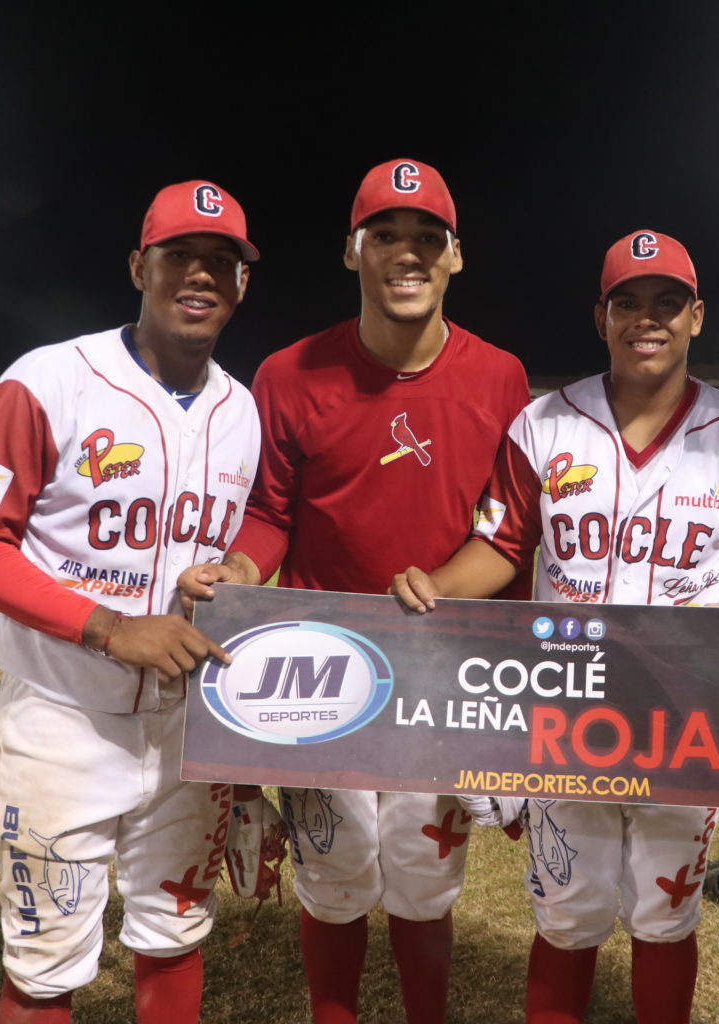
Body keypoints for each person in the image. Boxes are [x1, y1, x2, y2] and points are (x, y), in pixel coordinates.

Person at [391, 230, 719, 1024]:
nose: (647, 319)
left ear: (696, 316)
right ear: (602, 317)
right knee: (566, 911)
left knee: (666, 913)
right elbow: (504, 544)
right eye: (629, 303)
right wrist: (437, 587)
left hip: (686, 714)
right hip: (567, 708)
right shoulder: (545, 423)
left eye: (667, 303)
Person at [178, 158, 531, 1024]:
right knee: (333, 884)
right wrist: (243, 570)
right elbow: (270, 513)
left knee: (424, 881)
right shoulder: (289, 373)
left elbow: (508, 532)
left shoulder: (500, 376)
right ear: (352, 251)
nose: (407, 253)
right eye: (385, 236)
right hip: (317, 670)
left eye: (427, 238)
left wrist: (508, 690)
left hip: (438, 669)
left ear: (455, 256)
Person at [0, 180, 262, 1024]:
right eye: (179, 255)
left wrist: (241, 566)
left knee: (175, 933)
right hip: (59, 715)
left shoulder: (242, 409)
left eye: (220, 260)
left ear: (242, 282)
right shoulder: (49, 379)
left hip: (187, 726)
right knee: (46, 968)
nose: (200, 274)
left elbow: (252, 527)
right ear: (139, 268)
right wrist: (109, 628)